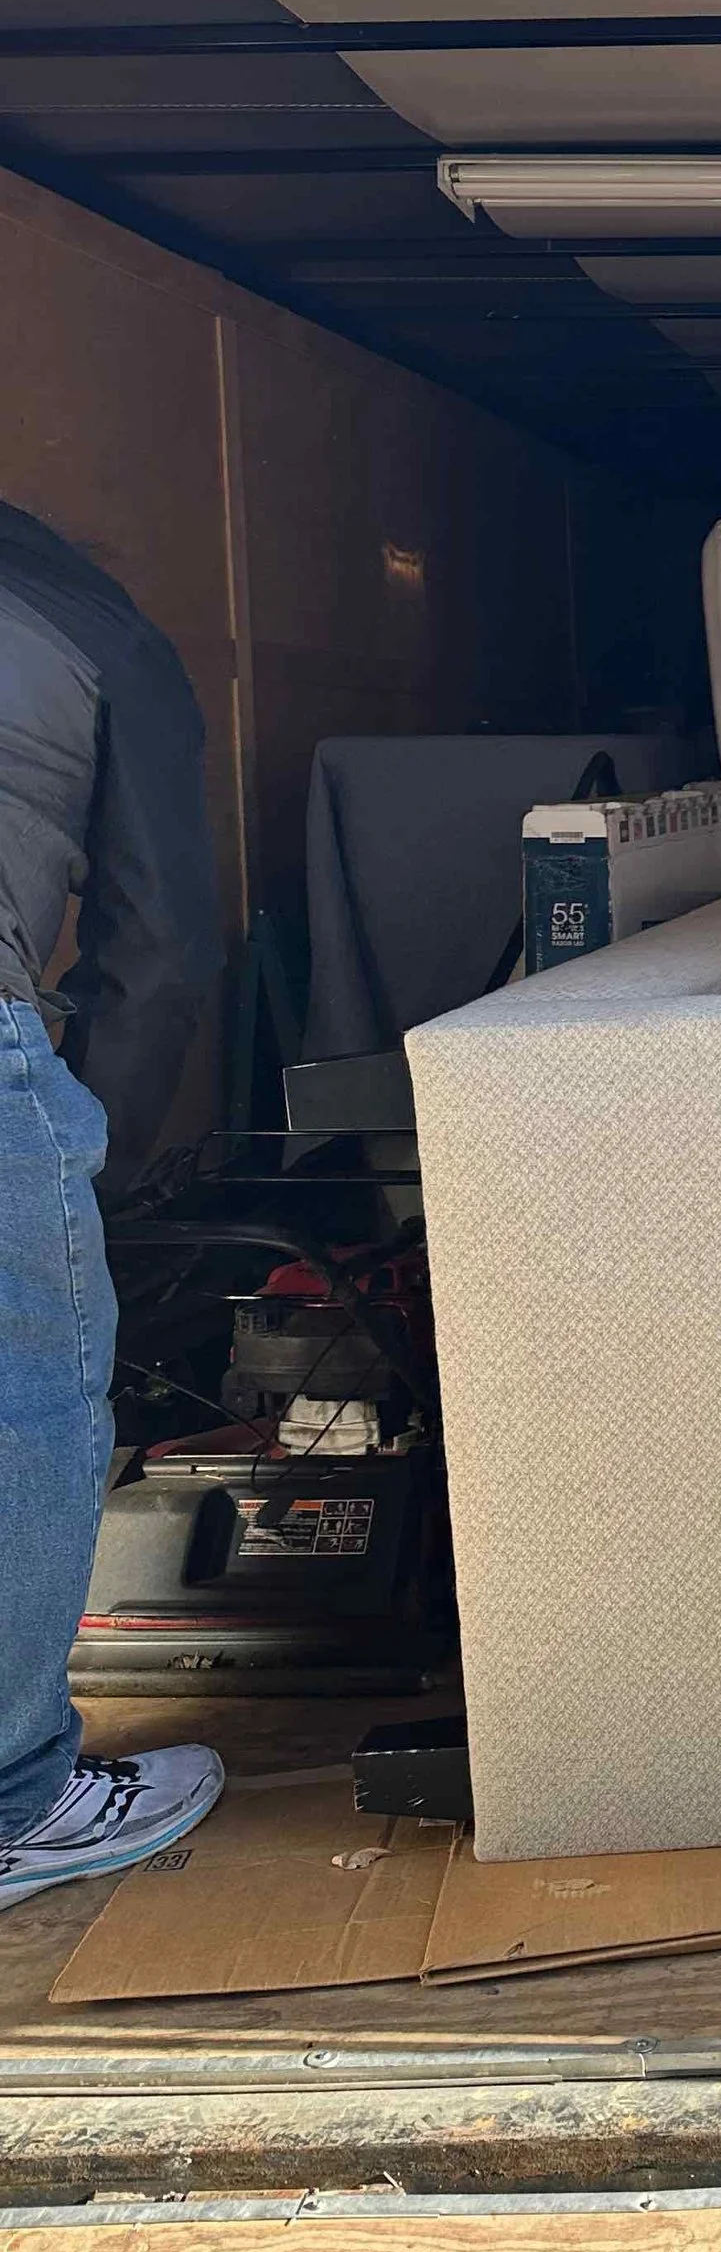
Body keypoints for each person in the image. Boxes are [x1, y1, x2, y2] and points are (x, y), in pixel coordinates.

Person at [1, 500, 229, 1910]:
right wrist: (117, 1163)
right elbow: (164, 950)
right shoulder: (91, 625)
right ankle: (19, 1799)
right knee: (23, 1403)